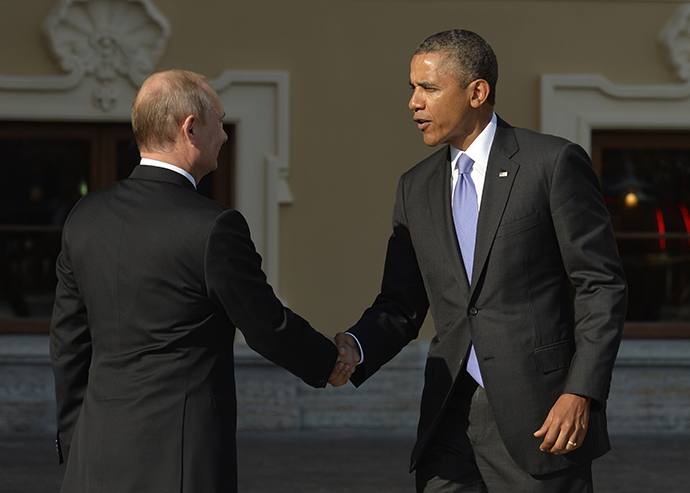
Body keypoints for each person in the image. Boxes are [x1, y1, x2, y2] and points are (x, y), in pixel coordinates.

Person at [336, 29, 627, 491]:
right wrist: (355, 346)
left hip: (542, 417)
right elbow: (400, 304)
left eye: (428, 88)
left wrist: (581, 392)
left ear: (477, 92)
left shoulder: (551, 164)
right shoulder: (415, 187)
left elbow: (601, 285)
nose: (413, 102)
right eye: (411, 88)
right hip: (448, 417)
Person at [50, 69, 357, 493]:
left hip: (93, 456)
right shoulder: (214, 227)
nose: (225, 135)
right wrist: (332, 362)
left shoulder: (84, 217)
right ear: (190, 128)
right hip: (180, 458)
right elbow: (267, 327)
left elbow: (68, 344)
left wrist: (75, 442)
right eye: (219, 120)